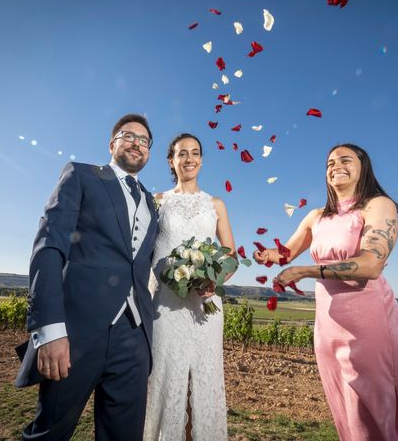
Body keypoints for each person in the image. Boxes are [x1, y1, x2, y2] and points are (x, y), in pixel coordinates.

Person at [253, 143, 398, 441]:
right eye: (330, 162)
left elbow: (371, 265)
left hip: (367, 321)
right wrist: (264, 255)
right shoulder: (315, 216)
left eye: (346, 160)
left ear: (364, 168)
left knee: (379, 399)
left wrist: (308, 271)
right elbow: (285, 254)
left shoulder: (377, 205)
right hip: (328, 325)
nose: (335, 166)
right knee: (346, 405)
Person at [15, 114, 159, 440]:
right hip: (75, 334)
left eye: (144, 140)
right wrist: (49, 331)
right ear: (112, 144)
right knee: (50, 433)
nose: (137, 143)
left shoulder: (152, 202)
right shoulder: (81, 175)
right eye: (128, 136)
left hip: (135, 337)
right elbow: (49, 247)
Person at [143, 133, 235, 441]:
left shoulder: (216, 204)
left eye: (195, 153)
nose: (190, 159)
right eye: (182, 153)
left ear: (202, 160)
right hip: (166, 304)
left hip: (205, 307)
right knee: (167, 375)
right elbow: (143, 252)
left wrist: (215, 280)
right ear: (171, 160)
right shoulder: (157, 201)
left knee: (202, 379)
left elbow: (231, 255)